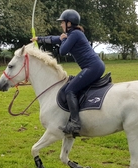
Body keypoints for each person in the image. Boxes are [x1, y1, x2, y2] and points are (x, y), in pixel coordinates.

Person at [30, 9, 105, 137]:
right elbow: (55, 39)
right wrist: (38, 39)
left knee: (70, 90)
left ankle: (75, 123)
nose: (60, 25)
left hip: (93, 67)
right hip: (94, 67)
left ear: (69, 23)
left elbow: (63, 50)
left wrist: (63, 39)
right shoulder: (71, 34)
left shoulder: (75, 34)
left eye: (62, 22)